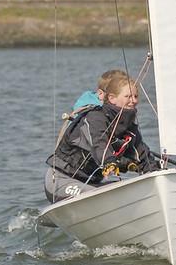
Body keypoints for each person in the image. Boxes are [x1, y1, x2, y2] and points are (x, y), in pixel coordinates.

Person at [45, 74, 159, 203]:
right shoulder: (95, 118)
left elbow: (142, 155)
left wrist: (156, 175)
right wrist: (110, 161)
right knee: (108, 198)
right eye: (128, 96)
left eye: (136, 96)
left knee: (130, 194)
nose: (133, 101)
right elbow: (99, 144)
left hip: (92, 183)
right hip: (61, 180)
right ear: (112, 98)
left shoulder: (129, 127)